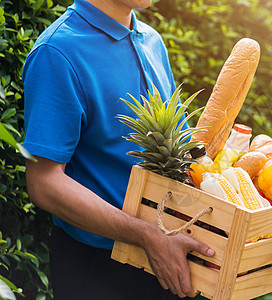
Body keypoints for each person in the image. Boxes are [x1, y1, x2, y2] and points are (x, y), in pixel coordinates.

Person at [23, 0, 215, 299]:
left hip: (168, 256)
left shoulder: (151, 40)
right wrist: (146, 235)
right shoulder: (57, 51)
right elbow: (43, 182)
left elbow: (181, 146)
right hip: (99, 268)